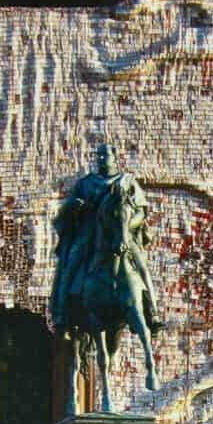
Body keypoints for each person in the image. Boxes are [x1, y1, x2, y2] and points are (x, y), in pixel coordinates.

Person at [50, 143, 162, 336]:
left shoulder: (127, 182)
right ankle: (61, 316)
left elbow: (141, 212)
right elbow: (67, 210)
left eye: (105, 155)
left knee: (142, 267)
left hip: (121, 233)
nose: (101, 159)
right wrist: (76, 207)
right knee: (69, 265)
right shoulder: (85, 184)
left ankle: (153, 313)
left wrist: (126, 228)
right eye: (99, 155)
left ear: (114, 157)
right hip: (89, 233)